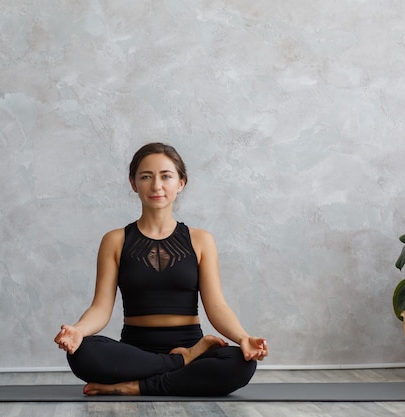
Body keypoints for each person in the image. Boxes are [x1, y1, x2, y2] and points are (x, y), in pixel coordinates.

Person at [54, 142, 268, 396]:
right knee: (83, 353)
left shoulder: (201, 240)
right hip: (135, 352)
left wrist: (244, 338)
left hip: (188, 340)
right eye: (146, 177)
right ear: (133, 184)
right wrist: (78, 331)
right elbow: (100, 308)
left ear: (181, 183)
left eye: (166, 176)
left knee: (242, 364)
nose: (156, 186)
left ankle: (138, 386)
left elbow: (217, 306)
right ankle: (181, 363)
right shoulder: (115, 240)